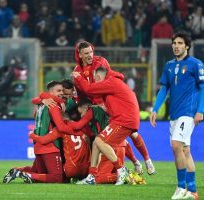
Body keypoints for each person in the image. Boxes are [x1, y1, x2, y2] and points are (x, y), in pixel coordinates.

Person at [73, 41, 155, 175]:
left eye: (91, 52)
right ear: (80, 55)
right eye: (86, 53)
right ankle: (106, 171)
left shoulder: (100, 62)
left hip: (109, 105)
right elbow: (81, 92)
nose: (90, 55)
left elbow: (99, 84)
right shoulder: (77, 71)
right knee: (105, 139)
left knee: (129, 134)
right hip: (96, 107)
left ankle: (145, 160)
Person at [150, 31, 204, 200]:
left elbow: (203, 88)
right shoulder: (169, 65)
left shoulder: (196, 64)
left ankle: (181, 187)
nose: (176, 46)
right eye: (174, 43)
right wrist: (155, 108)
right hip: (174, 114)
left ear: (187, 46)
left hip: (188, 113)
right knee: (185, 151)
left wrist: (200, 110)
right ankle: (193, 191)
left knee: (176, 145)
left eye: (180, 43)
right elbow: (164, 88)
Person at [71, 66, 141, 185]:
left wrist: (79, 78)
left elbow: (88, 89)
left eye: (95, 79)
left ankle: (121, 170)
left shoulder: (111, 82)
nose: (95, 82)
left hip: (124, 120)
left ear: (98, 76)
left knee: (99, 141)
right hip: (124, 119)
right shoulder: (115, 82)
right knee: (96, 142)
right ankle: (92, 176)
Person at [3, 81, 75, 183]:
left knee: (38, 172)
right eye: (59, 91)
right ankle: (26, 174)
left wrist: (43, 98)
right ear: (50, 92)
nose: (63, 94)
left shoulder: (41, 105)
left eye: (65, 92)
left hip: (39, 145)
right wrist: (76, 131)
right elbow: (61, 126)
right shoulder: (54, 105)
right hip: (50, 145)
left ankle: (17, 171)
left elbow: (37, 99)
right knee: (56, 177)